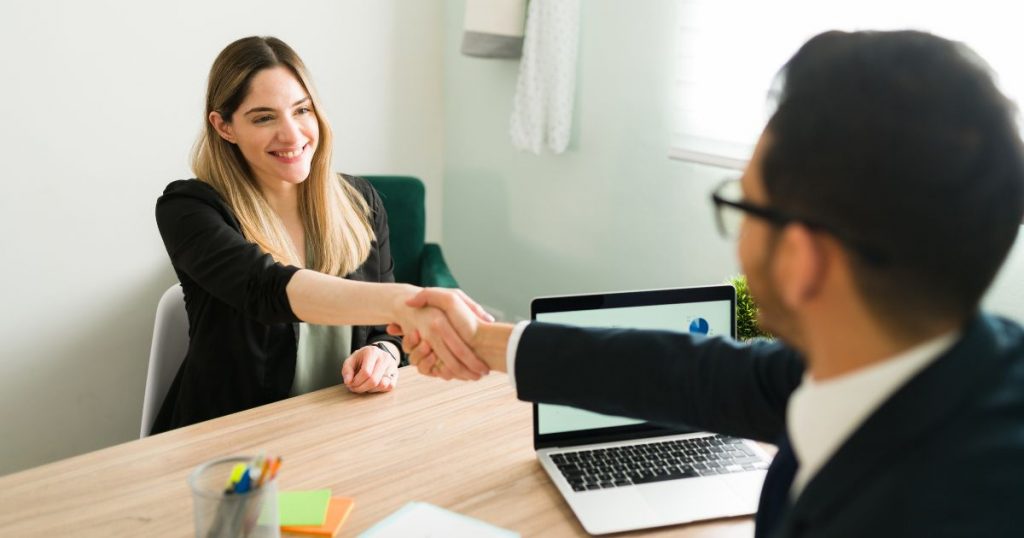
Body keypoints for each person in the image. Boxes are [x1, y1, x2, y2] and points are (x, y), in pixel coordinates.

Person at [394, 30, 1024, 536]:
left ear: (804, 260)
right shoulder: (929, 358)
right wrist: (485, 341)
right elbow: (692, 373)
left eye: (745, 206)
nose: (738, 238)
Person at [153, 36, 490, 433]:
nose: (293, 135)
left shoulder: (360, 202)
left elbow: (385, 329)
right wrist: (405, 302)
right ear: (224, 126)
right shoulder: (189, 208)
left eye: (302, 110)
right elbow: (265, 289)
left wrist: (382, 351)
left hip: (342, 428)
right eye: (264, 117)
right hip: (233, 440)